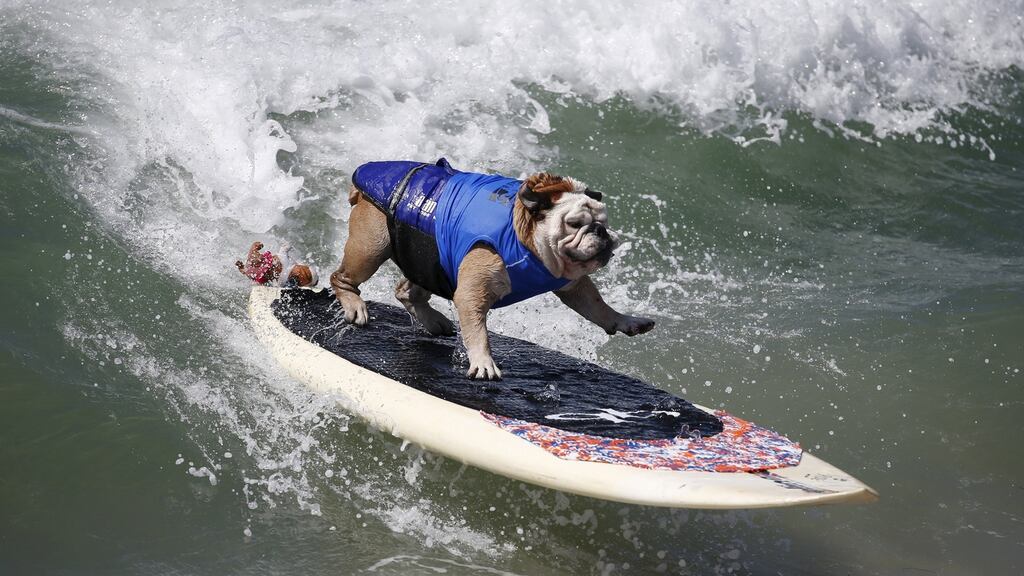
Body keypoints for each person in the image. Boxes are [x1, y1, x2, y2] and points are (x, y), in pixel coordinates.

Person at [236, 241, 318, 287]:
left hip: (264, 276)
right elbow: (284, 249)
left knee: (250, 274)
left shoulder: (289, 283)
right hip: (266, 262)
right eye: (305, 273)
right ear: (302, 266)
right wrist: (288, 246)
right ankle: (253, 249)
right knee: (256, 260)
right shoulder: (290, 262)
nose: (300, 275)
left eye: (301, 282)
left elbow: (280, 286)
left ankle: (242, 268)